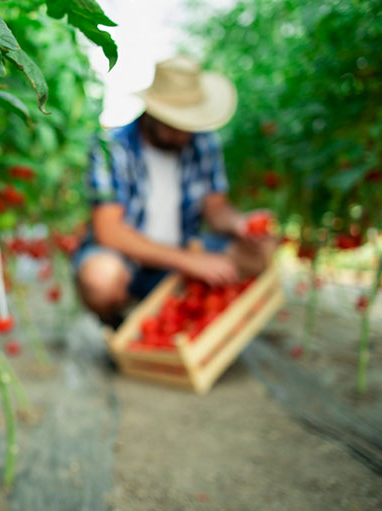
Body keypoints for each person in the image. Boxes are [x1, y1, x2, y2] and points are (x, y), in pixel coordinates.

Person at [74, 55, 275, 327]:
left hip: (184, 250)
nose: (184, 134)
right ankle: (120, 321)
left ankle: (186, 315)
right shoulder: (111, 147)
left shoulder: (203, 143)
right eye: (175, 124)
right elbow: (109, 231)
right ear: (153, 112)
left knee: (263, 251)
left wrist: (239, 223)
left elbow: (216, 208)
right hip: (129, 261)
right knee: (100, 278)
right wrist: (189, 261)